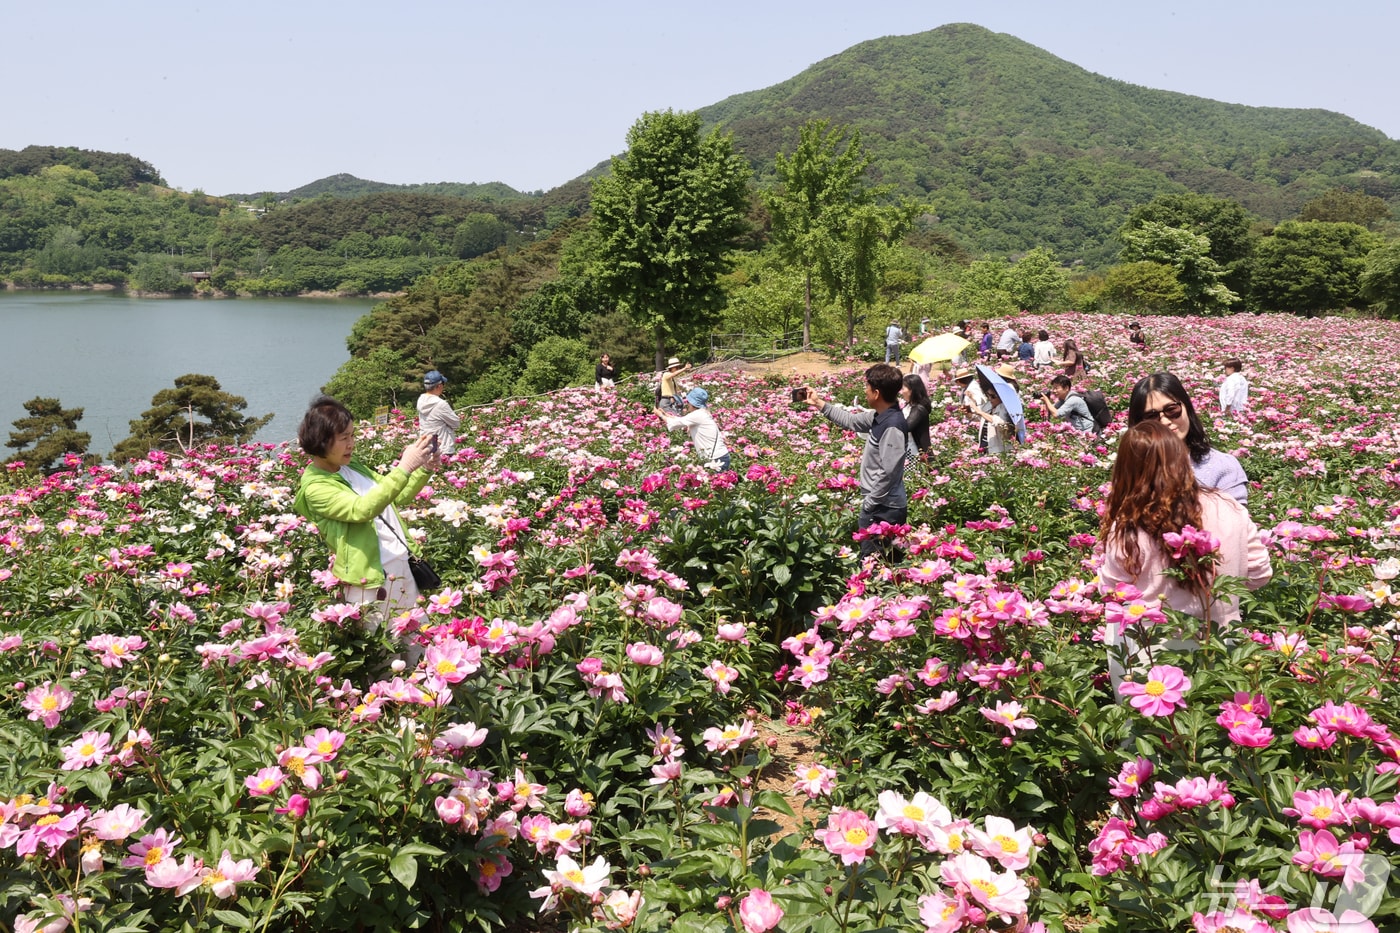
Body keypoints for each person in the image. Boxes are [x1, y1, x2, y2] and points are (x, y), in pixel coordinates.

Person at [294, 396, 437, 661]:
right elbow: (361, 510)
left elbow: (397, 495)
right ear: (321, 440)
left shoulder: (352, 467)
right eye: (343, 437)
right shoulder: (315, 487)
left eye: (352, 435)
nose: (351, 443)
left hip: (401, 565)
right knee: (385, 653)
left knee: (418, 642)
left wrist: (422, 468)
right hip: (371, 580)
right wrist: (404, 465)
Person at [1099, 421, 1271, 629]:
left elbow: (1114, 591)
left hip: (1150, 648)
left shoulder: (1131, 525)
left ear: (1125, 469)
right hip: (1220, 644)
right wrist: (1219, 591)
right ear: (1182, 458)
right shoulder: (1230, 507)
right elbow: (1259, 573)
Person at [803, 364, 908, 560]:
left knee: (875, 563)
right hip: (880, 505)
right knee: (881, 562)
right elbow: (851, 422)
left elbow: (889, 472)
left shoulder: (892, 425)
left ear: (876, 393)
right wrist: (818, 403)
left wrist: (869, 503)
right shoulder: (880, 416)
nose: (864, 391)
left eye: (866, 387)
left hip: (885, 509)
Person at [1126, 372, 1248, 503]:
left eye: (1172, 409)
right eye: (1151, 416)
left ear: (1187, 408)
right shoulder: (1132, 470)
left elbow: (1236, 520)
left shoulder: (1223, 467)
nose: (1165, 421)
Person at [656, 387, 730, 471]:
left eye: (688, 402)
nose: (687, 404)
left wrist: (660, 415)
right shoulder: (702, 412)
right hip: (720, 455)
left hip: (716, 459)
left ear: (692, 403)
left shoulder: (697, 414)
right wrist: (665, 414)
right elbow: (681, 420)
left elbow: (675, 424)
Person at [417, 370, 460, 455]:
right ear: (439, 386)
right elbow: (456, 423)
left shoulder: (421, 400)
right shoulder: (440, 404)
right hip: (443, 447)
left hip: (426, 446)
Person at [971, 369, 1013, 455]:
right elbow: (977, 417)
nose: (990, 399)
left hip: (999, 450)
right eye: (988, 395)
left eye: (993, 396)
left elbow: (1001, 424)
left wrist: (980, 412)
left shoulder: (1005, 408)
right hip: (984, 447)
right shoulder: (988, 406)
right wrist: (969, 412)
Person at [901, 373, 932, 464]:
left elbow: (906, 427)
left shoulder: (919, 409)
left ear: (911, 391)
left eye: (903, 388)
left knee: (912, 476)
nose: (901, 392)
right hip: (907, 447)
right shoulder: (909, 406)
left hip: (915, 451)